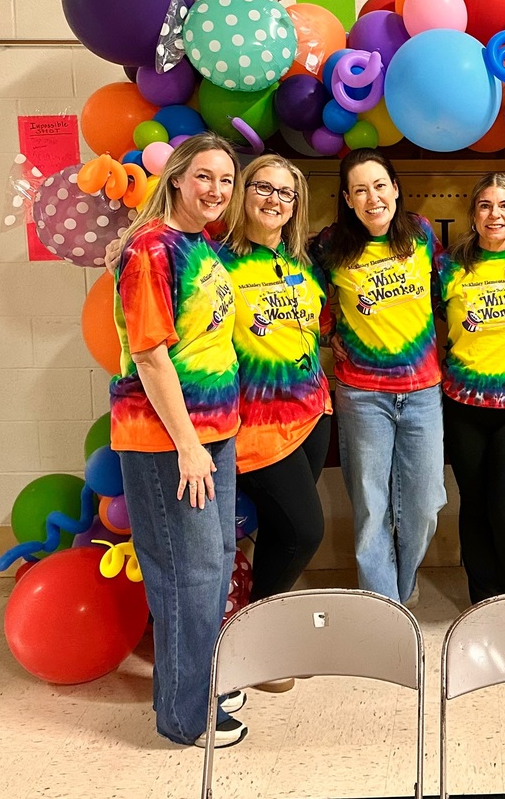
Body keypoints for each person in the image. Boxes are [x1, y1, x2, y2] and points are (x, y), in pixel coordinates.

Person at [110, 133, 246, 749]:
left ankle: (198, 683)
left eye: (226, 180)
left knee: (212, 569)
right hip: (170, 441)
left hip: (214, 433)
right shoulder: (151, 251)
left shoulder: (200, 244)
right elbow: (150, 355)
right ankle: (185, 718)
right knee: (185, 578)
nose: (216, 191)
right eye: (204, 178)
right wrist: (189, 445)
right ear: (178, 179)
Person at [217, 154, 333, 691]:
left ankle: (266, 633)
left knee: (284, 531)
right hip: (255, 426)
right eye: (263, 187)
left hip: (313, 413)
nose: (273, 200)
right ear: (243, 195)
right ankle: (252, 641)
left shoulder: (301, 264)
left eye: (285, 194)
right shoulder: (216, 263)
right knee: (306, 530)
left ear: (295, 206)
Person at [311, 148, 445, 605]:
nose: (373, 198)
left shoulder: (421, 234)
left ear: (396, 188)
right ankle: (383, 605)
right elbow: (297, 290)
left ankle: (400, 592)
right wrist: (329, 334)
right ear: (347, 199)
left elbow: (447, 294)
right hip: (363, 395)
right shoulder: (330, 246)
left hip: (424, 392)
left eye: (380, 186)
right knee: (372, 507)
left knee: (425, 506)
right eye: (360, 190)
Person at [438, 174, 505, 604]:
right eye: (484, 205)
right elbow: (424, 322)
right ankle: (482, 599)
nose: (494, 214)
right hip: (463, 403)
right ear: (474, 215)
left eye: (504, 205)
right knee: (475, 505)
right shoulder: (449, 266)